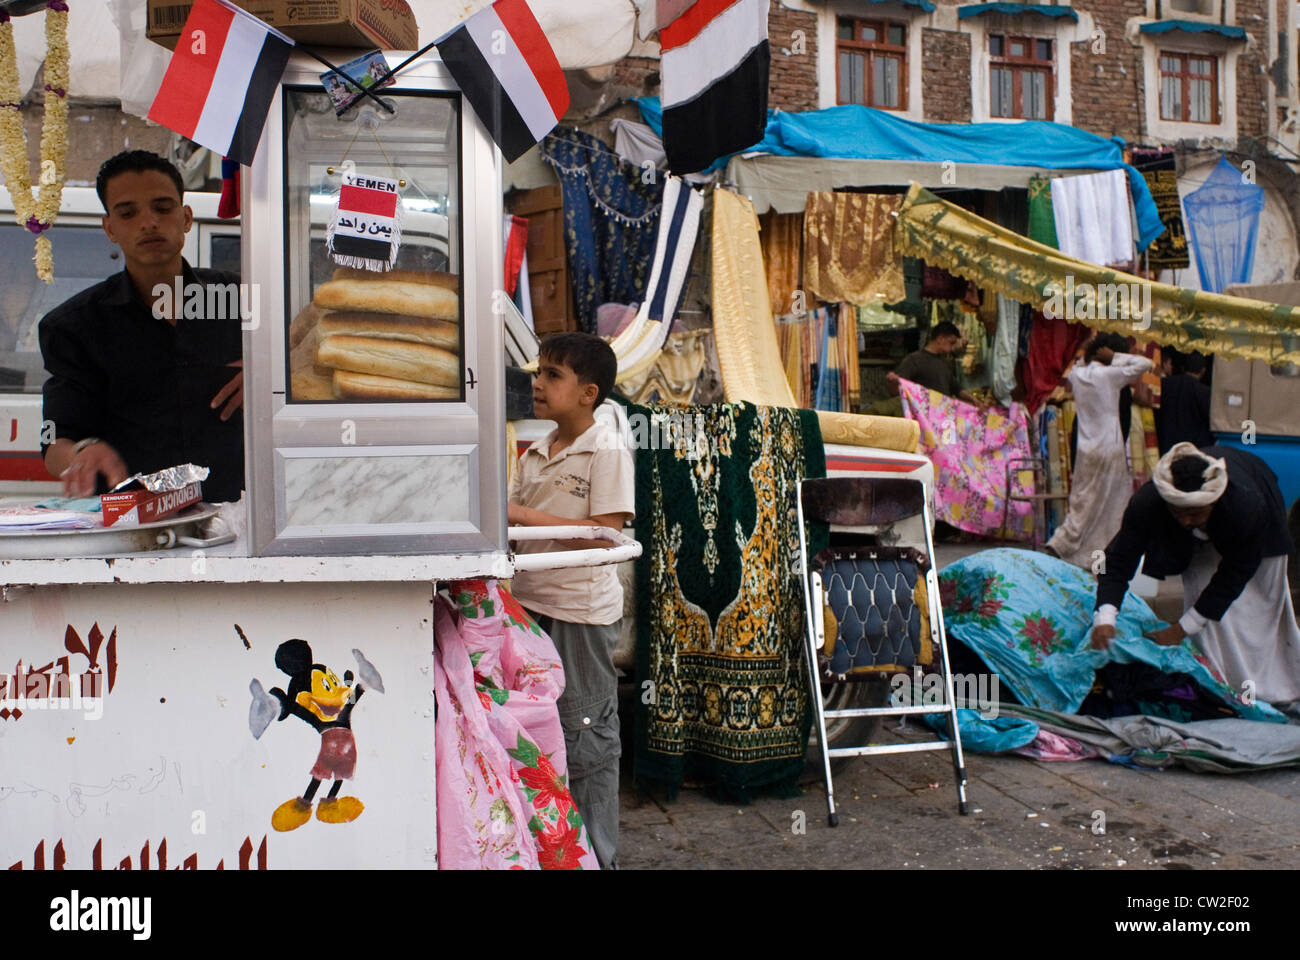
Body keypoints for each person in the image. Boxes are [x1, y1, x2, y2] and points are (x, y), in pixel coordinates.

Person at [39, 150, 245, 502]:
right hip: (132, 528)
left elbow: (304, 368)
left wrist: (272, 376)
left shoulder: (239, 299)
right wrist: (81, 454)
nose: (148, 222)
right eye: (128, 212)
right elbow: (54, 441)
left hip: (239, 519)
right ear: (110, 228)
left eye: (163, 208)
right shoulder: (74, 327)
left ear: (186, 217)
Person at [507, 332, 635, 869]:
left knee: (585, 738)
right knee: (538, 738)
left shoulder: (605, 449)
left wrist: (517, 514)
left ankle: (598, 857)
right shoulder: (537, 450)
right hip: (530, 605)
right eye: (539, 372)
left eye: (553, 376)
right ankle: (555, 853)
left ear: (588, 393)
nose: (538, 383)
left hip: (579, 615)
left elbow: (605, 532)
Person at [1090, 443, 1300, 708]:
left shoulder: (1246, 506)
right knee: (1204, 606)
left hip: (1258, 525)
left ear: (1213, 502)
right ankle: (1223, 686)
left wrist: (1181, 628)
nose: (1188, 521)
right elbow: (1118, 561)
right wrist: (1105, 618)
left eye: (1196, 513)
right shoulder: (1148, 503)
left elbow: (1234, 574)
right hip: (1212, 528)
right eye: (1180, 513)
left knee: (1257, 612)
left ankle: (1275, 689)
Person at [1045, 333, 1152, 567]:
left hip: (1086, 448)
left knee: (1083, 498)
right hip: (1110, 446)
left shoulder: (1078, 374)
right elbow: (1145, 364)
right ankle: (1100, 551)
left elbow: (1080, 364)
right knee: (1114, 503)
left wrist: (1091, 354)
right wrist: (1116, 357)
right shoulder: (1110, 376)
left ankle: (1067, 544)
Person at [886, 321, 985, 406]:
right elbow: (897, 390)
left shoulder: (944, 363)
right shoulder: (914, 360)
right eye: (951, 342)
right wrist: (893, 382)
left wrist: (974, 400)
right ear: (940, 339)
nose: (952, 347)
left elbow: (956, 388)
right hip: (922, 418)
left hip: (942, 417)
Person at [1154, 351, 1213, 454]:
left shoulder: (1163, 384)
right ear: (1203, 371)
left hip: (1165, 444)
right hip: (1193, 449)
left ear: (1183, 368)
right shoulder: (1204, 392)